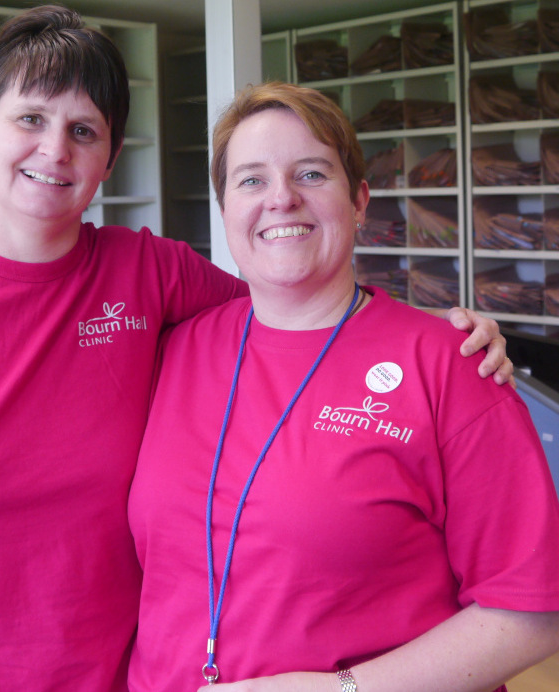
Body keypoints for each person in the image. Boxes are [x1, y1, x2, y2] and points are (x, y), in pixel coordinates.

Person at [0, 6, 508, 692]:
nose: (54, 150)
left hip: (118, 678)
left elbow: (303, 304)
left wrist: (441, 331)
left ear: (109, 158)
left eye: (84, 130)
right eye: (30, 118)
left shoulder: (150, 275)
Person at [126, 82, 559, 692]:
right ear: (224, 208)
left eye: (310, 173)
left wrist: (341, 691)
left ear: (359, 200)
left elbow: (531, 614)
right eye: (251, 180)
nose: (281, 199)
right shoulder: (174, 347)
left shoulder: (452, 364)